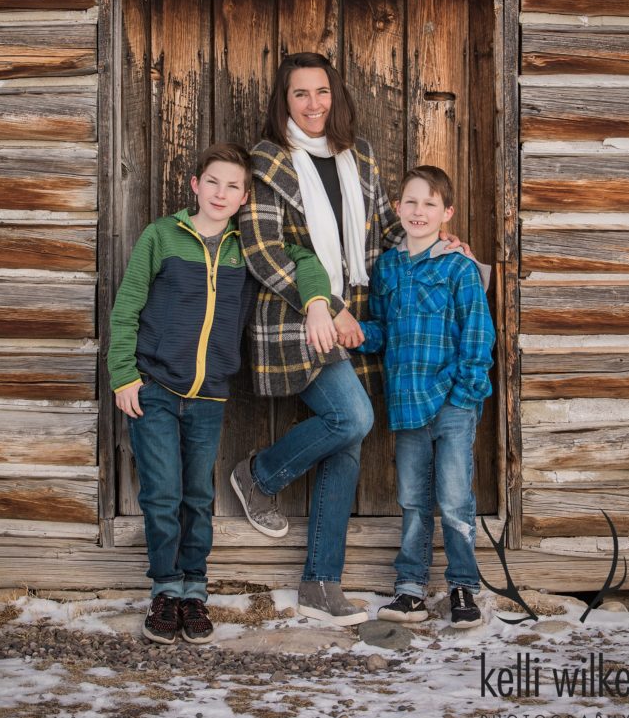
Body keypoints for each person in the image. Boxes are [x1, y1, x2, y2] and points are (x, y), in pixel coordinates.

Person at [232, 53, 468, 626]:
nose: (313, 105)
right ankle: (257, 475)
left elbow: (384, 228)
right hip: (296, 316)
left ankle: (320, 582)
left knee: (347, 445)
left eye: (321, 92)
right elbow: (263, 249)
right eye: (299, 95)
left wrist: (438, 242)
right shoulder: (267, 160)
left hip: (354, 318)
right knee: (352, 418)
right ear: (282, 102)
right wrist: (321, 303)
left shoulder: (356, 154)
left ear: (333, 96)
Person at [107, 142, 330, 646]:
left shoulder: (245, 248)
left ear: (244, 196)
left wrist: (318, 303)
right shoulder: (162, 235)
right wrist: (124, 375)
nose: (220, 193)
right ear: (195, 185)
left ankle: (195, 594)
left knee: (197, 495)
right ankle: (165, 592)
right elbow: (126, 309)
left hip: (209, 395)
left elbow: (303, 259)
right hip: (154, 389)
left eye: (232, 186)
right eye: (213, 182)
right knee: (162, 494)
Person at [351, 165, 495, 628]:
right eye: (410, 202)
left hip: (453, 401)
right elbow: (383, 330)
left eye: (430, 204)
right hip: (408, 401)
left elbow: (478, 333)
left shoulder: (459, 267)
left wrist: (466, 393)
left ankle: (462, 587)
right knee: (413, 499)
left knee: (454, 499)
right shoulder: (388, 267)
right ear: (397, 208)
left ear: (446, 213)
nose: (418, 211)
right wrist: (353, 333)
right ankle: (410, 589)